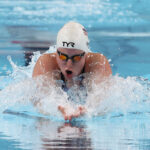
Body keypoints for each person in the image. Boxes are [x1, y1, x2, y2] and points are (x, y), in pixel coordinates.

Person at [32, 21, 112, 121]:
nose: (69, 64)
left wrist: (89, 110)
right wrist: (57, 107)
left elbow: (102, 99)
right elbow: (42, 100)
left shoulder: (97, 63)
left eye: (76, 58)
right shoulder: (46, 63)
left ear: (85, 55)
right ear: (56, 53)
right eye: (62, 56)